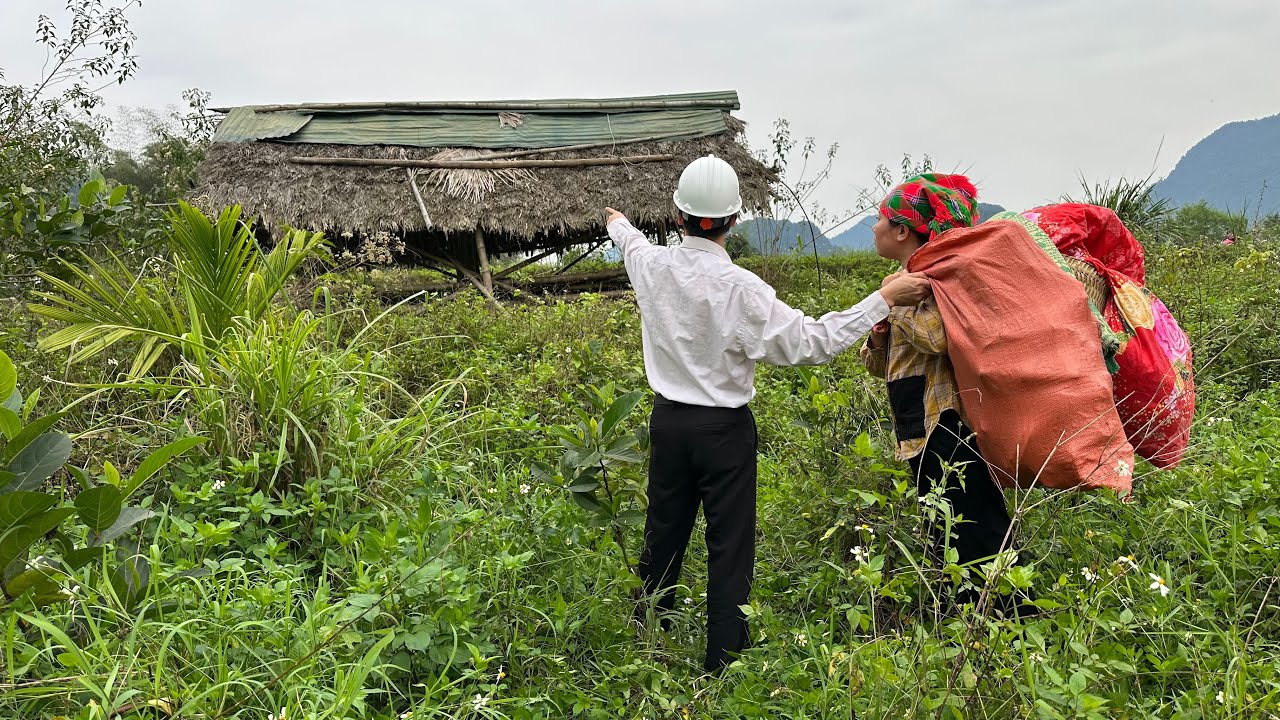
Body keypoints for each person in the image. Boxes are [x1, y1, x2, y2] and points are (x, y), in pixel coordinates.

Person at [605, 153, 934, 673]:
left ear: (677, 217)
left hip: (668, 424)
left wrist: (616, 221)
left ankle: (649, 634)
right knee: (729, 544)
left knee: (663, 530)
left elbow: (630, 242)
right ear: (735, 221)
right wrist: (882, 299)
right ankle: (723, 661)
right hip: (724, 431)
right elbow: (813, 342)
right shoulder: (744, 290)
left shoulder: (652, 266)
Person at [860, 173, 1021, 612]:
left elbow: (936, 337)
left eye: (881, 219)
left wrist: (891, 304)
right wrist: (879, 325)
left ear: (902, 231)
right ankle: (969, 615)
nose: (874, 227)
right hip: (914, 423)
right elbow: (879, 365)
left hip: (944, 422)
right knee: (942, 523)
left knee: (972, 521)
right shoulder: (900, 280)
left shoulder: (935, 278)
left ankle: (1008, 615)